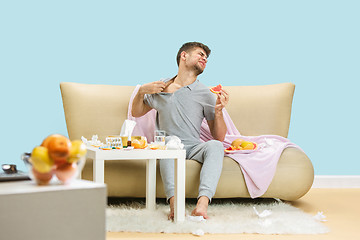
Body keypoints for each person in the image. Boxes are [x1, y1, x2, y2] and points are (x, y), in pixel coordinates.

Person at [131, 42, 229, 220]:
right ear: (184, 56)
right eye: (200, 54)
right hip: (169, 146)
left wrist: (219, 111)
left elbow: (219, 137)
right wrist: (141, 92)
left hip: (193, 147)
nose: (204, 58)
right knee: (168, 143)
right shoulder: (160, 88)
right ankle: (175, 205)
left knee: (215, 146)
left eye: (206, 57)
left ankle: (202, 205)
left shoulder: (206, 94)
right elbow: (136, 112)